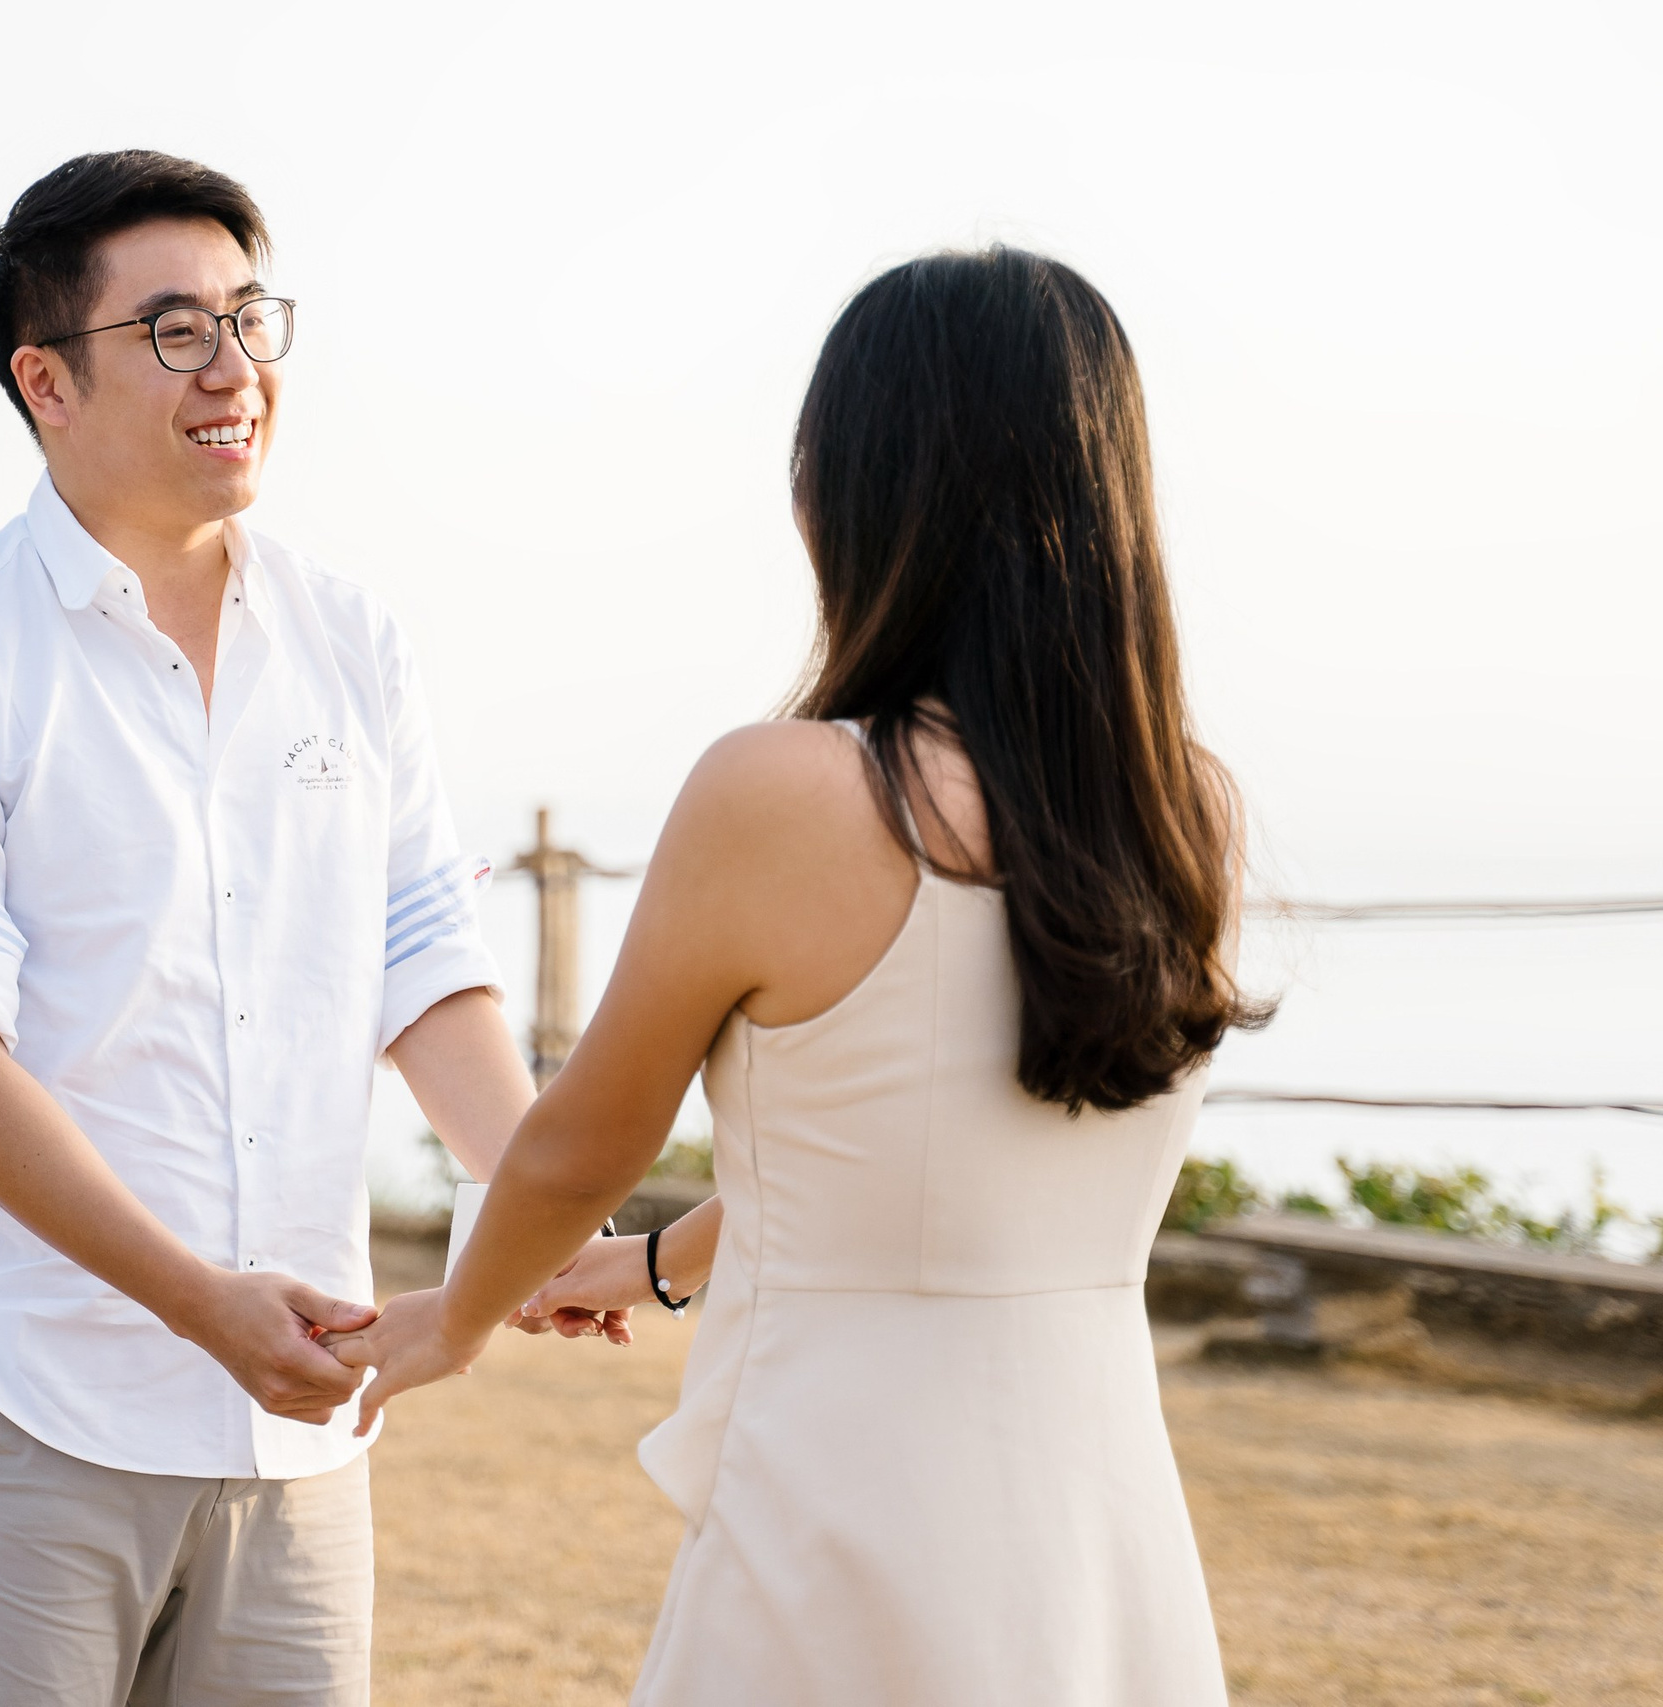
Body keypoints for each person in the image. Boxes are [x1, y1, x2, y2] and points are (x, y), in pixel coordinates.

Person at [329, 246, 1268, 1704]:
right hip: (1095, 1506)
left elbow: (588, 1136)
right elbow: (914, 1146)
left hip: (857, 1500)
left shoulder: (792, 790)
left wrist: (452, 1322)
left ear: (862, 488)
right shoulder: (1174, 804)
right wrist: (646, 1267)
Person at [0, 150, 551, 1707]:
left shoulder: (354, 639)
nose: (236, 370)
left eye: (251, 319)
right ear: (46, 381)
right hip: (25, 1405)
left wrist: (537, 1209)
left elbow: (427, 966)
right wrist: (198, 1302)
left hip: (299, 1423)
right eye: (176, 330)